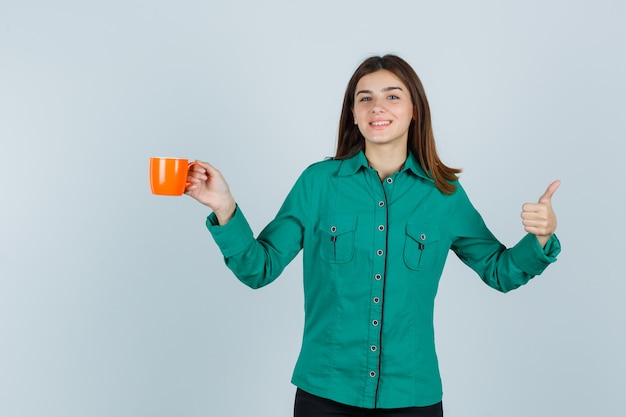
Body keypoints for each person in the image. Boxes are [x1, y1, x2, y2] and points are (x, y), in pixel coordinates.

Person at [185, 54, 561, 417]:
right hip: (325, 394)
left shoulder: (444, 194)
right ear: (354, 114)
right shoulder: (318, 184)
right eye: (365, 98)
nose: (377, 107)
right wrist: (224, 205)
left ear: (415, 110)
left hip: (412, 396)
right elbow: (258, 268)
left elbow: (500, 271)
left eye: (392, 96)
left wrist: (541, 238)